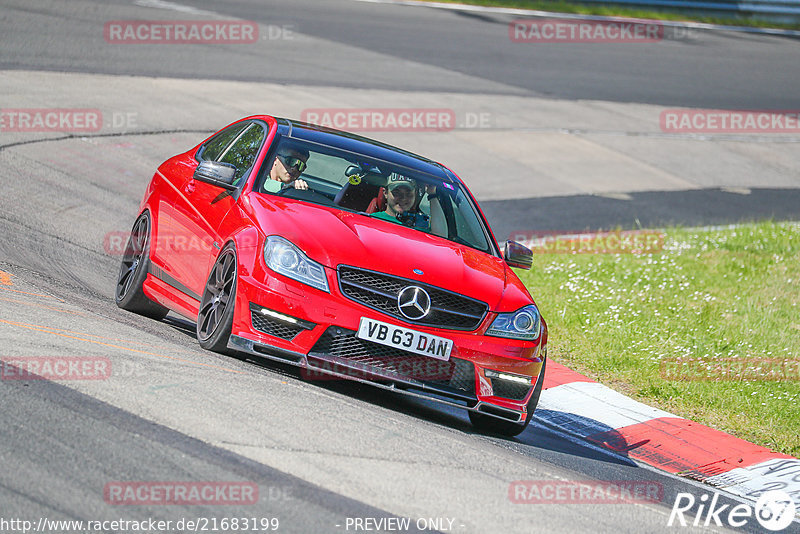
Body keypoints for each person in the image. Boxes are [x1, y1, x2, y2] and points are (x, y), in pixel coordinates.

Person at [371, 174, 445, 236]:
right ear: (385, 193)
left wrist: (432, 194)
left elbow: (441, 237)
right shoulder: (374, 220)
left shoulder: (420, 225)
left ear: (415, 194)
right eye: (396, 192)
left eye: (408, 193)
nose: (403, 198)